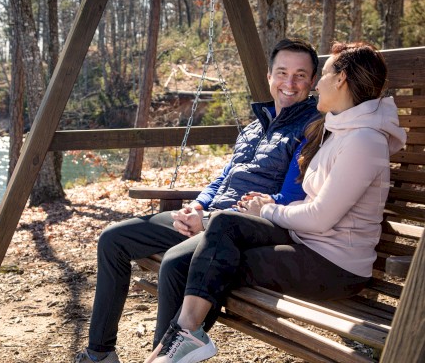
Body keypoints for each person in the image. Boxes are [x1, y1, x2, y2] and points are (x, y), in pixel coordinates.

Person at [143, 42, 407, 363]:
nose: (317, 84)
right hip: (307, 248)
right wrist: (266, 205)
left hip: (335, 268)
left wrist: (267, 209)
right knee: (224, 229)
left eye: (322, 75)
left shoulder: (364, 140)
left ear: (341, 80)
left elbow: (321, 217)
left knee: (203, 264)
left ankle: (179, 340)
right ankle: (184, 339)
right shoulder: (342, 130)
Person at [74, 38, 321, 363]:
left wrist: (208, 221)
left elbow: (290, 197)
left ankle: (163, 358)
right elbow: (223, 177)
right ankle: (100, 354)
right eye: (282, 72)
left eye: (301, 75)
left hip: (248, 229)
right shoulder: (251, 128)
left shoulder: (310, 127)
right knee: (113, 240)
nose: (290, 83)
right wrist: (199, 206)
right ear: (269, 76)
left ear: (313, 81)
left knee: (176, 261)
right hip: (211, 216)